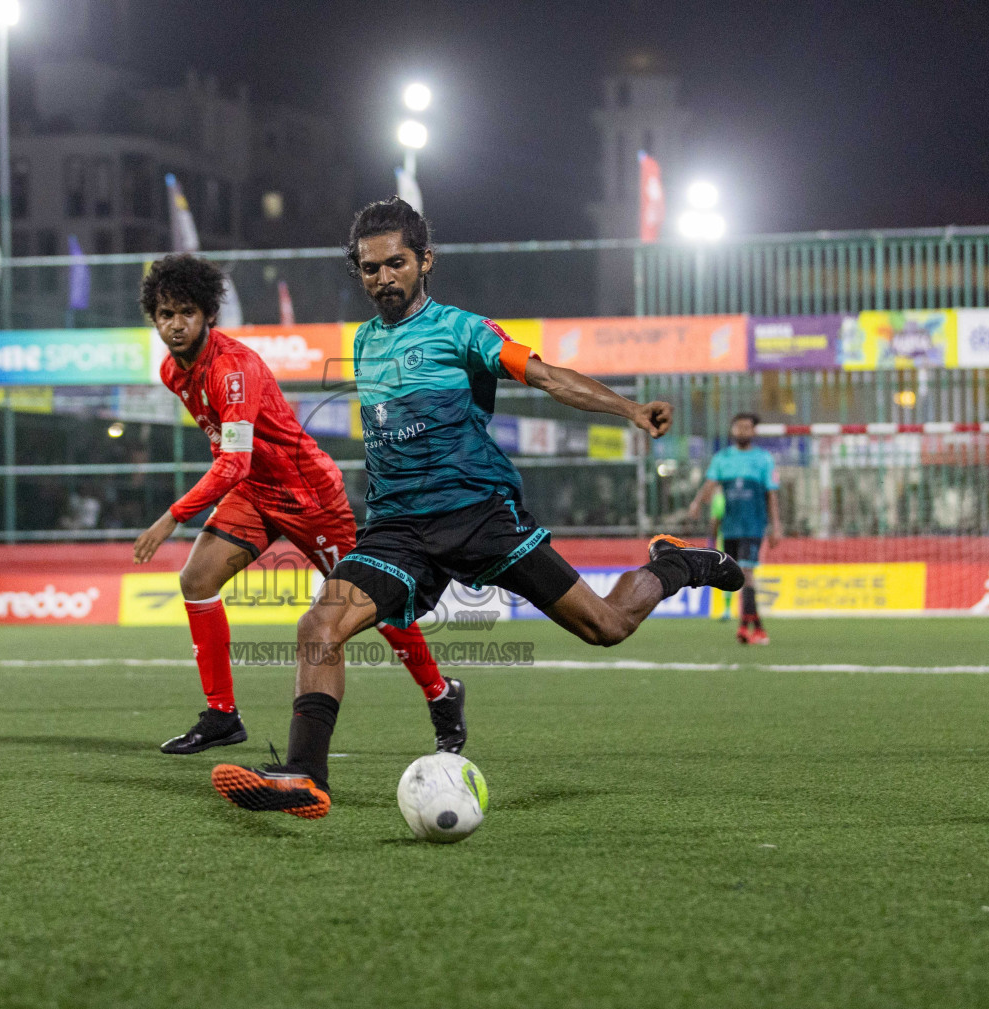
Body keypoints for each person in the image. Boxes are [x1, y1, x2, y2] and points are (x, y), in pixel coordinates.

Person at [210, 198, 743, 819]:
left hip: (480, 515)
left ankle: (674, 564)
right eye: (369, 268)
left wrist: (627, 409)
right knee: (318, 627)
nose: (383, 278)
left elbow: (542, 375)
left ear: (426, 261)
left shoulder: (464, 329)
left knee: (607, 627)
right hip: (397, 530)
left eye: (397, 263)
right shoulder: (363, 343)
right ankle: (304, 775)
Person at [132, 254, 464, 756]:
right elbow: (231, 452)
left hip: (310, 498)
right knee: (196, 580)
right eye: (165, 314)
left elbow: (233, 463)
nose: (175, 325)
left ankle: (441, 694)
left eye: (186, 313)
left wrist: (171, 517)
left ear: (208, 315)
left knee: (375, 606)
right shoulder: (172, 372)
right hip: (255, 495)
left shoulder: (232, 370)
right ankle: (222, 715)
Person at [686, 413, 781, 645]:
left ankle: (743, 628)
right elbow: (709, 484)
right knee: (737, 576)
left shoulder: (763, 459)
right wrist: (698, 502)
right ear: (732, 430)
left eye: (747, 427)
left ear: (753, 431)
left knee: (747, 574)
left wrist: (776, 525)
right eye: (738, 427)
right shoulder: (722, 458)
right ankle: (757, 627)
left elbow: (771, 494)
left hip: (753, 526)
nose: (742, 431)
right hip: (729, 527)